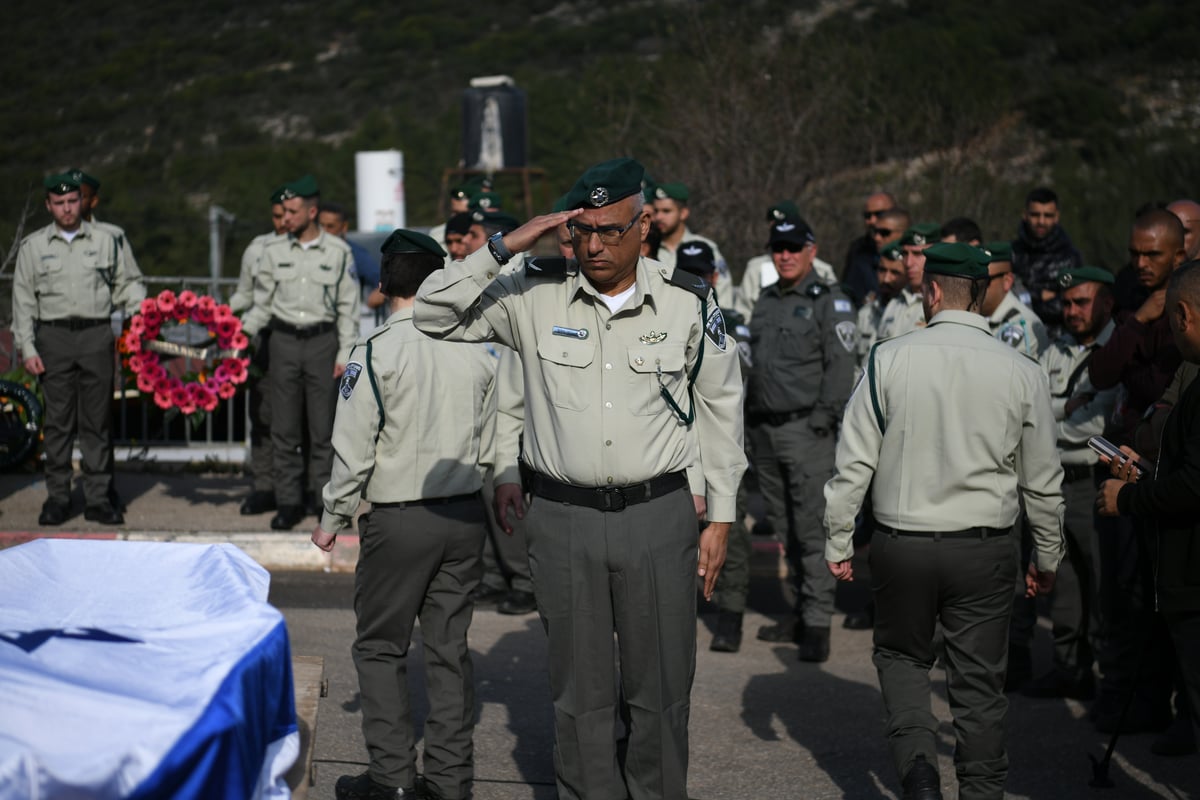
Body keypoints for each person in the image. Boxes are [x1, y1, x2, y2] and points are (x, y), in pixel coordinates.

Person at [414, 157, 746, 800]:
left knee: (660, 693)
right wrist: (507, 243)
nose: (593, 244)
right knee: (580, 696)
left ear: (644, 224)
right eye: (581, 231)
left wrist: (723, 516)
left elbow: (721, 410)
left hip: (658, 514)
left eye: (610, 230)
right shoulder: (530, 295)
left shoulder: (687, 299)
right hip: (562, 519)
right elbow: (431, 310)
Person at [824, 241, 1065, 800]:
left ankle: (919, 772)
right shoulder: (1022, 369)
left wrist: (838, 537)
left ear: (929, 291)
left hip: (902, 543)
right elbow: (1043, 480)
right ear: (982, 293)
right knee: (980, 684)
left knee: (903, 657)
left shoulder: (888, 356)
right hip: (984, 548)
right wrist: (1047, 555)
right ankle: (981, 791)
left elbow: (853, 458)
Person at [312, 229, 497, 800]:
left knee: (380, 647)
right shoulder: (475, 348)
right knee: (448, 650)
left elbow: (354, 446)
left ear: (384, 281)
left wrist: (333, 516)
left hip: (400, 517)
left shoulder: (377, 351)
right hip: (466, 513)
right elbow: (495, 434)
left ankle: (392, 780)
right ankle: (449, 781)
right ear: (438, 278)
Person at [1087, 208, 1188, 735]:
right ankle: (1132, 697)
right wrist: (1138, 320)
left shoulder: (1192, 305)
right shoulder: (1133, 299)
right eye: (1134, 253)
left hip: (1170, 467)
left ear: (1180, 254)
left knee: (1168, 595)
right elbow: (1103, 370)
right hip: (1126, 462)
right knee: (1124, 592)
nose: (1141, 263)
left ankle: (1175, 707)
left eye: (1153, 254)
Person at [747, 217, 857, 662]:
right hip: (766, 432)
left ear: (812, 251)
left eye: (794, 247)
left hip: (806, 431)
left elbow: (841, 366)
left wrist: (823, 419)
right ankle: (798, 610)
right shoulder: (765, 300)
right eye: (778, 247)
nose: (785, 255)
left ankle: (816, 622)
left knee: (813, 530)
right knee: (785, 529)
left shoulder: (829, 301)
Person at [11, 174, 145, 526]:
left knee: (96, 422)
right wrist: (27, 347)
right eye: (59, 202)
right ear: (48, 205)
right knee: (57, 424)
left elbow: (129, 284)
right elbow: (23, 301)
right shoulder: (33, 246)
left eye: (72, 201)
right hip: (53, 338)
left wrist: (141, 311)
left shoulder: (108, 239)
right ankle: (57, 498)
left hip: (96, 334)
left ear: (82, 202)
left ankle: (99, 499)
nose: (67, 209)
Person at [1020, 267, 1117, 701]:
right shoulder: (1054, 349)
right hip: (1055, 479)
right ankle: (1068, 667)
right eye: (1068, 302)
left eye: (1083, 302)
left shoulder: (1116, 348)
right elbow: (1029, 408)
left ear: (1107, 303)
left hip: (1094, 481)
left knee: (1102, 583)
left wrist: (1051, 416)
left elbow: (1095, 425)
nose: (1073, 310)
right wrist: (1063, 409)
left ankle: (1108, 675)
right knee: (1063, 578)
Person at [241, 174, 360, 530]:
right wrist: (240, 334)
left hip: (322, 343)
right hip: (283, 341)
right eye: (284, 211)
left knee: (323, 429)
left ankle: (322, 500)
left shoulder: (338, 252)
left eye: (293, 211)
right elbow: (261, 305)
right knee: (284, 429)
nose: (286, 217)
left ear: (312, 211)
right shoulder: (273, 252)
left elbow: (347, 308)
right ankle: (288, 501)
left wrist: (345, 353)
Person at [674, 241, 754, 653]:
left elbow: (740, 391)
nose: (694, 281)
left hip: (720, 442)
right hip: (679, 444)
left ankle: (731, 616)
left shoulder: (731, 324)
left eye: (700, 274)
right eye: (685, 272)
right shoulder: (667, 314)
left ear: (714, 276)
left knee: (729, 535)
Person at [231, 186, 287, 516]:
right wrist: (212, 314)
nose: (282, 223)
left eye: (288, 216)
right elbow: (243, 295)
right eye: (277, 216)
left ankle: (301, 487)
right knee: (262, 415)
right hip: (263, 340)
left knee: (300, 419)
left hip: (300, 339)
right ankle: (264, 487)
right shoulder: (257, 248)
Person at [737, 201, 839, 320]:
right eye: (773, 223)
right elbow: (743, 313)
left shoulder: (822, 270)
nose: (785, 257)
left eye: (793, 248)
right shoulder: (755, 268)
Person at [650, 181, 740, 310]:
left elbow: (722, 291)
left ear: (684, 213)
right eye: (656, 211)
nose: (658, 217)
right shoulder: (648, 248)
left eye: (666, 211)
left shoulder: (706, 247)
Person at [1010, 187, 1084, 331]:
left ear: (1056, 217)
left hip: (1056, 340)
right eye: (1035, 214)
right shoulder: (1012, 253)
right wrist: (1040, 294)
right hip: (1015, 334)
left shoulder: (1069, 258)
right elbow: (1002, 295)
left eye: (1048, 215)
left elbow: (1069, 304)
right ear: (1025, 215)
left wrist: (1025, 299)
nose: (1041, 221)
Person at [980, 241, 1050, 357]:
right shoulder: (976, 316)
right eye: (974, 281)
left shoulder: (1025, 325)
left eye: (985, 281)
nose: (978, 287)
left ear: (1007, 281)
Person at [876, 223, 939, 340]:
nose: (909, 263)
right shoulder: (894, 303)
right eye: (905, 253)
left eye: (918, 254)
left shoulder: (942, 305)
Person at [842, 191, 896, 306]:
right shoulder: (858, 250)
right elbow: (848, 291)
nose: (872, 220)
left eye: (879, 214)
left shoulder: (911, 251)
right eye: (868, 216)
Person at [318, 201, 382, 296]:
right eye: (321, 226)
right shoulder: (310, 250)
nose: (324, 231)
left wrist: (377, 296)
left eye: (330, 226)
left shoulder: (356, 255)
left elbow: (382, 284)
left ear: (344, 227)